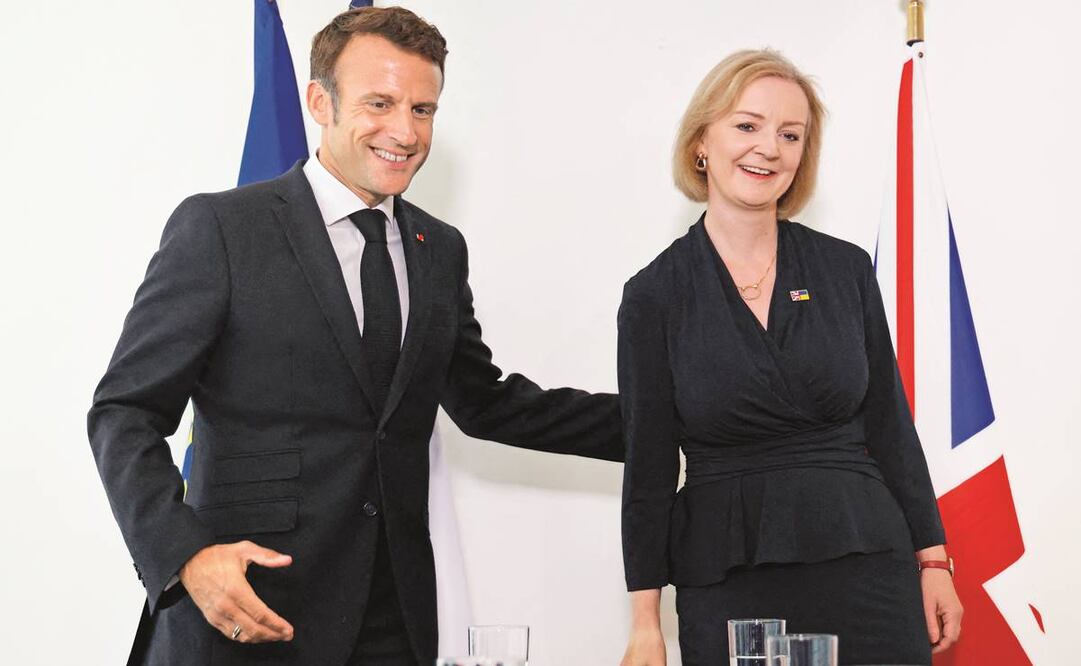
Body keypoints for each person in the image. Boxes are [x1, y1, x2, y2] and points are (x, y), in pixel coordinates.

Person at [87, 7, 621, 666]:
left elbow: (487, 403)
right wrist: (185, 554)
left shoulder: (438, 248)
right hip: (248, 611)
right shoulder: (222, 229)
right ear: (320, 102)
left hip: (392, 620)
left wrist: (669, 422)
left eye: (423, 109)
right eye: (379, 103)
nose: (404, 130)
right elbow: (124, 412)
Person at [617, 50, 962, 666]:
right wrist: (645, 621)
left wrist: (934, 560)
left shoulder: (846, 269)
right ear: (702, 141)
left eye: (790, 135)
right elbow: (646, 466)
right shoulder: (654, 295)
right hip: (727, 573)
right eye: (747, 126)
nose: (768, 149)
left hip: (867, 561)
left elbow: (889, 426)